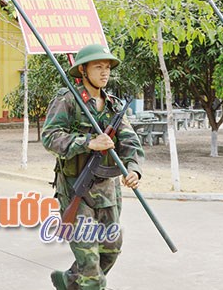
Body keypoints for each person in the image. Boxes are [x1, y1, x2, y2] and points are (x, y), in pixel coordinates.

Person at [42, 44, 143, 290]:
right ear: (83, 70)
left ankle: (68, 281)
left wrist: (133, 168)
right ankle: (87, 282)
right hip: (76, 188)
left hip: (107, 191)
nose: (104, 72)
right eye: (98, 66)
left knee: (111, 250)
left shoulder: (115, 106)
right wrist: (88, 143)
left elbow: (130, 142)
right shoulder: (68, 99)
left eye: (107, 67)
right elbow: (50, 137)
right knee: (91, 271)